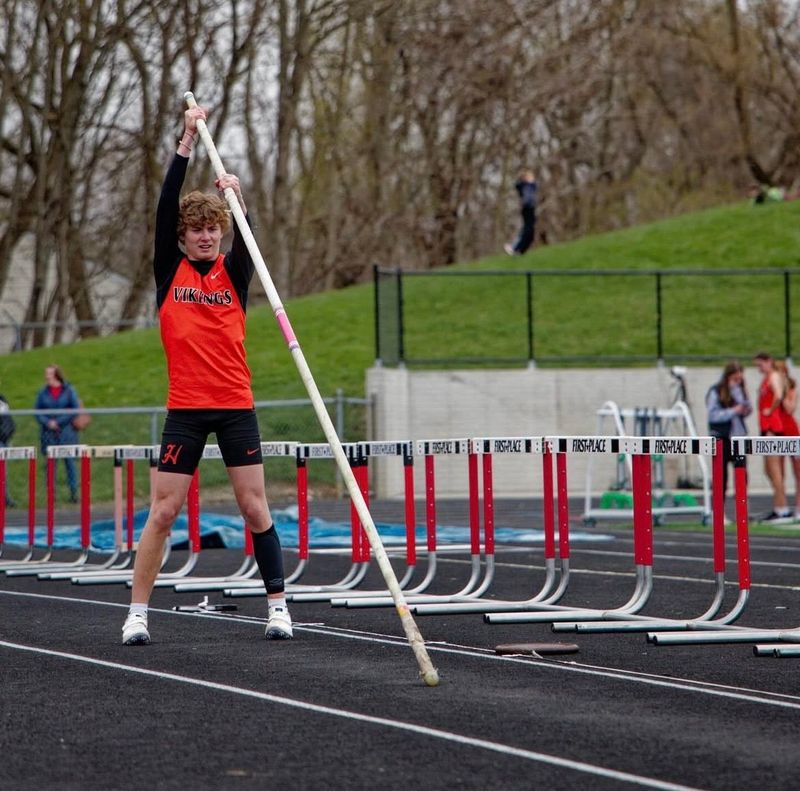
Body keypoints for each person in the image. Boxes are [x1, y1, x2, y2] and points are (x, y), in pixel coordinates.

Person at [121, 103, 292, 646]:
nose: (204, 237)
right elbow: (165, 206)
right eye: (196, 230)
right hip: (187, 409)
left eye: (212, 229)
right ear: (182, 237)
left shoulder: (234, 272)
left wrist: (238, 201)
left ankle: (279, 606)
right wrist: (185, 144)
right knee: (164, 510)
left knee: (253, 505)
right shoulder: (168, 270)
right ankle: (138, 614)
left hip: (236, 404)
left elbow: (250, 240)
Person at [705, 361, 752, 512]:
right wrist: (733, 411)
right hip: (722, 438)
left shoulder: (740, 390)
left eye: (740, 379)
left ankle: (742, 510)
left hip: (738, 438)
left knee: (742, 475)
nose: (738, 382)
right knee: (721, 478)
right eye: (735, 379)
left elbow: (748, 408)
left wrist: (744, 406)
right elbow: (713, 416)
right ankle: (718, 512)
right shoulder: (716, 391)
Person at [754, 352, 793, 523]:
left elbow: (778, 395)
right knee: (769, 470)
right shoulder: (767, 377)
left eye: (760, 364)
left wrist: (770, 410)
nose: (758, 368)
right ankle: (779, 506)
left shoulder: (774, 376)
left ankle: (782, 508)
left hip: (773, 428)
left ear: (768, 361)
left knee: (775, 470)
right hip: (766, 427)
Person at [34, 365, 81, 503]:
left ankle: (74, 493)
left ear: (56, 375)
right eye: (46, 374)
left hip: (66, 432)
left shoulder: (68, 390)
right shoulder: (42, 393)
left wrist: (58, 422)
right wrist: (48, 422)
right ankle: (51, 494)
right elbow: (37, 411)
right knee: (50, 464)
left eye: (49, 373)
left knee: (70, 463)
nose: (46, 376)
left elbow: (74, 409)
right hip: (48, 433)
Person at [774, 359, 800, 521]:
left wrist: (781, 392)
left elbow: (790, 408)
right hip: (778, 432)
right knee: (779, 473)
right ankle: (781, 507)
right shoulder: (772, 389)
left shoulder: (791, 388)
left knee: (798, 473)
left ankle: (799, 507)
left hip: (791, 432)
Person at [504, 169, 538, 256]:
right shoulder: (526, 186)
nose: (532, 178)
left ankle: (521, 251)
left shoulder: (530, 186)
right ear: (526, 178)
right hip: (528, 208)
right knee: (527, 229)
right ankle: (514, 247)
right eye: (530, 177)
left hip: (530, 208)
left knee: (531, 232)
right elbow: (526, 197)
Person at [0, 389, 16, 507]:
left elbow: (7, 420)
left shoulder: (2, 400)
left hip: (2, 439)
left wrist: (6, 435)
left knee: (2, 472)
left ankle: (5, 497)